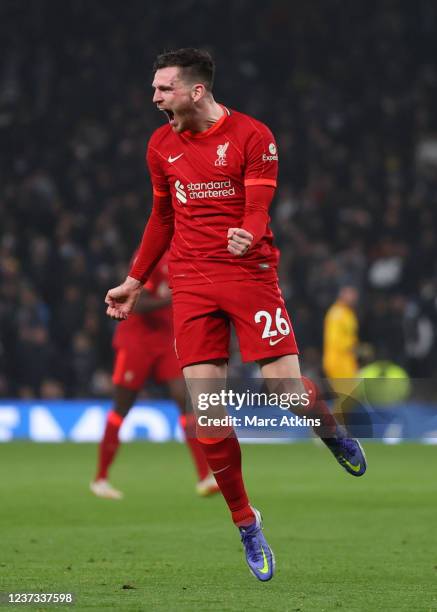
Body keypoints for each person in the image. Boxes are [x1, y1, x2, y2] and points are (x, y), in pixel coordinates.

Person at [105, 48, 367, 582]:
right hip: (192, 283)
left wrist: (248, 231)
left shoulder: (253, 136)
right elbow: (161, 217)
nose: (154, 98)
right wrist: (134, 281)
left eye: (163, 89)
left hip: (249, 275)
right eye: (154, 89)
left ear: (195, 90)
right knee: (208, 413)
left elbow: (258, 202)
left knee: (286, 393)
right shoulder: (160, 145)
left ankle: (332, 433)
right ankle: (247, 522)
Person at [92, 252, 219, 499]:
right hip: (136, 338)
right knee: (122, 407)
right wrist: (171, 298)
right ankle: (101, 479)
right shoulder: (151, 255)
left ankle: (205, 476)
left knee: (184, 400)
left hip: (165, 337)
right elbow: (136, 302)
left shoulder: (190, 253)